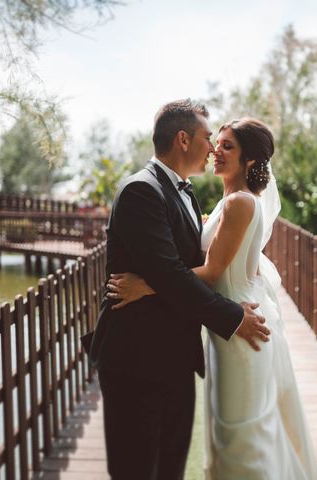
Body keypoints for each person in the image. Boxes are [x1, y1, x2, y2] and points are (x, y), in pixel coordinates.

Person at [108, 118, 317, 479]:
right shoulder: (226, 201)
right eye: (215, 142)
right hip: (225, 326)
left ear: (251, 160)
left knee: (242, 436)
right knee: (230, 433)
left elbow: (213, 272)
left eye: (227, 146)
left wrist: (146, 285)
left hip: (238, 324)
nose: (215, 151)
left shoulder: (239, 203)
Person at [83, 100, 271, 480]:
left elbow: (188, 264)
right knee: (137, 469)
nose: (213, 147)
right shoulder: (141, 191)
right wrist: (233, 318)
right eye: (207, 137)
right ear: (183, 139)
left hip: (175, 358)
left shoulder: (184, 192)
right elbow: (170, 273)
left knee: (169, 469)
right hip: (138, 359)